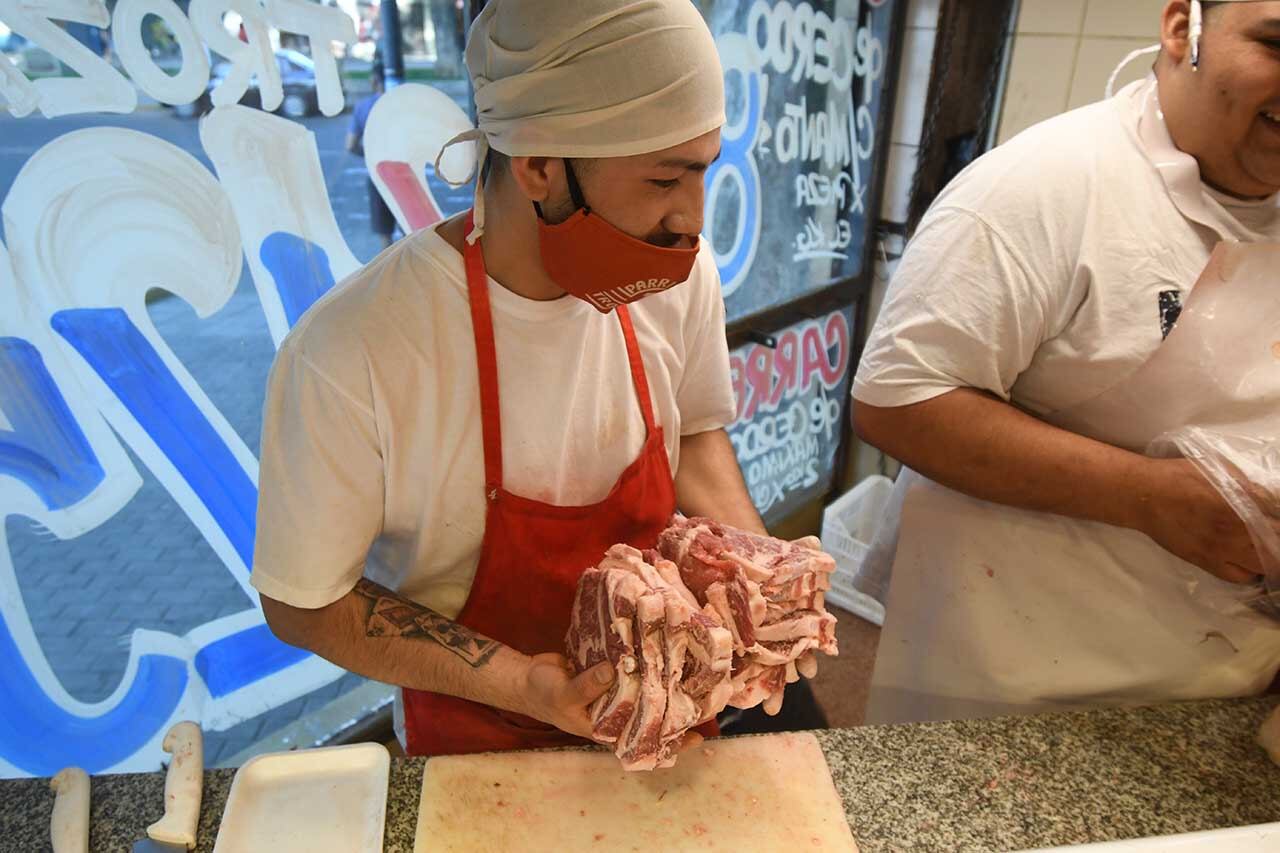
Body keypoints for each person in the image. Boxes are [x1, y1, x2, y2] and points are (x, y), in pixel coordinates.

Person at [252, 0, 812, 757]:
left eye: (703, 173)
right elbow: (304, 603)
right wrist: (524, 683)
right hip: (474, 740)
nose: (693, 221)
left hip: (671, 715)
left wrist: (761, 587)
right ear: (541, 165)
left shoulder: (679, 277)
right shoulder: (354, 349)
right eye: (662, 181)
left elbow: (700, 435)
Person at [852, 0, 1280, 724]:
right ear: (1183, 28)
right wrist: (1151, 497)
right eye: (1274, 43)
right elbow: (897, 398)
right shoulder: (1043, 186)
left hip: (1223, 685)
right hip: (1002, 683)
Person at [346, 61, 396, 251]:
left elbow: (350, 145)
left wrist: (370, 154)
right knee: (411, 227)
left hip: (378, 173)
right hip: (406, 174)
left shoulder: (363, 107)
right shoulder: (400, 104)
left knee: (385, 234)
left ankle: (392, 275)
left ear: (374, 80)